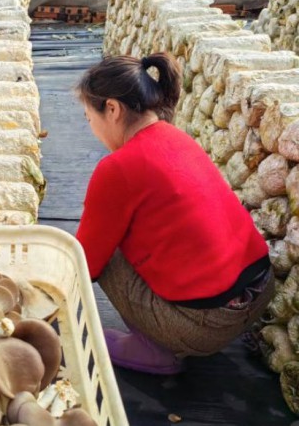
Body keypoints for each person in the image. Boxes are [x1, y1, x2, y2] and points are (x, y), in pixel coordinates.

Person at [74, 53, 274, 375]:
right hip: (259, 293)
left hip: (206, 325)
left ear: (112, 109)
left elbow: (84, 262)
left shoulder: (117, 168)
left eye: (88, 119)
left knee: (98, 253)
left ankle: (155, 348)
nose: (92, 129)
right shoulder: (176, 137)